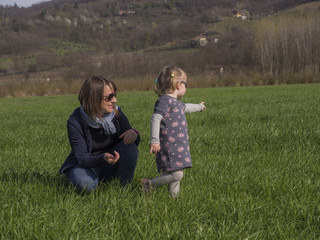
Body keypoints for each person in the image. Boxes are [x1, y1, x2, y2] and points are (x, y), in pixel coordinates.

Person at [59, 76, 140, 193]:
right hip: (86, 165)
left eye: (115, 95)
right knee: (85, 185)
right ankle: (84, 179)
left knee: (130, 147)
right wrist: (102, 157)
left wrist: (134, 134)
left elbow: (131, 141)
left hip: (111, 162)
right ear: (94, 99)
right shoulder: (75, 121)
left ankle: (125, 188)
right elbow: (82, 158)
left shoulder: (117, 113)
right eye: (109, 97)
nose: (114, 100)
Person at [142, 66, 206, 197]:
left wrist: (199, 107)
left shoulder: (175, 102)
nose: (186, 87)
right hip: (168, 145)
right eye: (186, 84)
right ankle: (149, 183)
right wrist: (154, 140)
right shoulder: (164, 101)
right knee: (177, 174)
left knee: (176, 173)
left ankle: (174, 199)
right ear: (179, 85)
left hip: (178, 145)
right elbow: (155, 119)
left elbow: (186, 107)